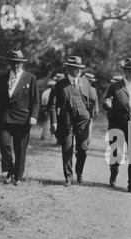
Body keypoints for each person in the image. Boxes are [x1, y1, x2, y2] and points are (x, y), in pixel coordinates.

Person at [0, 50, 40, 186]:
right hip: (5, 118)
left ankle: (17, 176)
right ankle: (9, 170)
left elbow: (35, 100)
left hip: (23, 119)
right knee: (4, 144)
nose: (16, 65)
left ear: (22, 63)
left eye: (18, 62)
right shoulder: (2, 78)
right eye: (13, 62)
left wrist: (34, 116)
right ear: (10, 63)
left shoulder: (30, 78)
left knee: (20, 149)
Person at [103, 58, 131, 195]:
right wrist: (108, 105)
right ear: (125, 71)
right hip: (116, 122)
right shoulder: (115, 86)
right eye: (130, 71)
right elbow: (106, 101)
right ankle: (114, 173)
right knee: (116, 152)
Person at [50, 56, 98, 187]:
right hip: (66, 121)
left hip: (83, 120)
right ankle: (68, 177)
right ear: (68, 69)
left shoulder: (85, 83)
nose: (78, 70)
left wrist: (90, 114)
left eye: (79, 68)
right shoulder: (60, 84)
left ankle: (80, 173)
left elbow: (91, 101)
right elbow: (52, 105)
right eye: (75, 68)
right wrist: (54, 122)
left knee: (83, 149)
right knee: (67, 148)